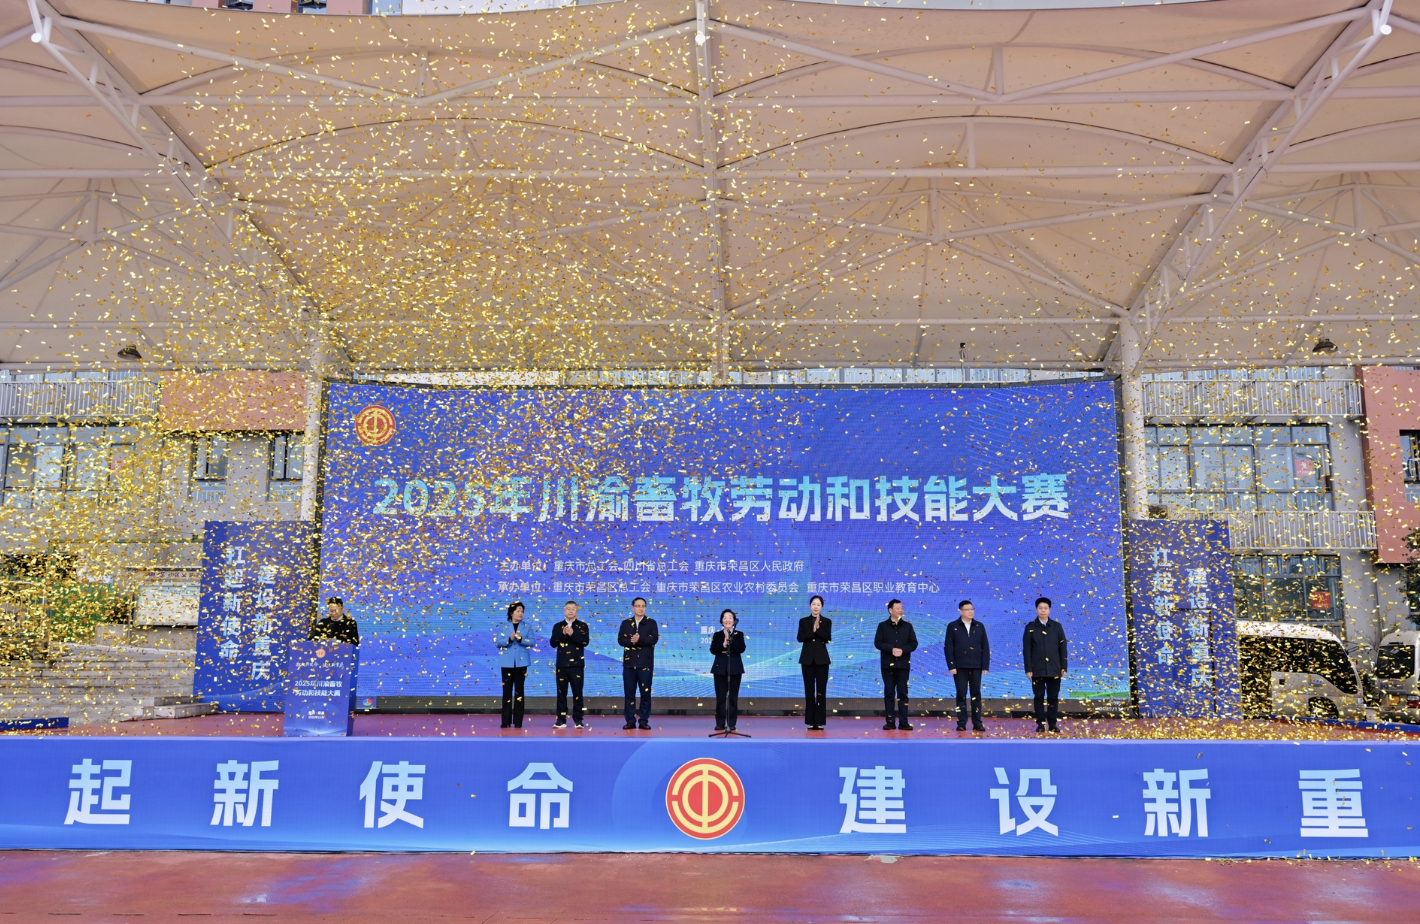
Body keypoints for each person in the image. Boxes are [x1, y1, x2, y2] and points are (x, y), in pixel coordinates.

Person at [1023, 596, 1068, 733]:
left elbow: (1063, 648)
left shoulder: (1057, 626)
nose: (1043, 610)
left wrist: (1063, 666)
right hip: (1037, 669)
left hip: (1054, 668)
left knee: (1053, 697)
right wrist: (1028, 669)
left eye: (1045, 608)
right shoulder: (1030, 627)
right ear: (1036, 609)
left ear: (1050, 610)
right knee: (1039, 697)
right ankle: (1041, 724)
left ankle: (1053, 724)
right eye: (1040, 608)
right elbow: (1027, 650)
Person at [944, 599, 990, 732]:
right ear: (960, 611)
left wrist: (985, 666)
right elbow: (949, 647)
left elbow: (985, 647)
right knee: (961, 695)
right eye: (967, 609)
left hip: (976, 665)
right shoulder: (953, 626)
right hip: (960, 667)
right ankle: (961, 722)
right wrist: (951, 666)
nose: (970, 612)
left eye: (972, 609)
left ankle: (977, 722)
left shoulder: (979, 626)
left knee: (976, 695)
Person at [873, 598, 918, 731]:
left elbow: (914, 643)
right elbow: (878, 642)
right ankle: (890, 721)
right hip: (888, 665)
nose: (900, 610)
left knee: (903, 694)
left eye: (901, 608)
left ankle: (904, 722)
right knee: (889, 694)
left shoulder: (908, 626)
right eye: (897, 608)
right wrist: (891, 649)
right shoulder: (882, 626)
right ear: (890, 610)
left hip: (903, 664)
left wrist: (903, 650)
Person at [617, 597, 659, 730]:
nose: (640, 608)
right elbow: (620, 640)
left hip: (645, 664)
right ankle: (630, 720)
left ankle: (643, 720)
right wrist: (631, 641)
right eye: (638, 606)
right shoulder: (626, 623)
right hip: (629, 665)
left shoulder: (651, 623)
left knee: (645, 694)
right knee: (629, 694)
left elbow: (653, 639)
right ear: (633, 607)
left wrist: (640, 639)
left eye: (643, 606)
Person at [548, 600, 590, 729]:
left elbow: (585, 642)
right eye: (568, 608)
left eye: (573, 609)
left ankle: (578, 720)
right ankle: (561, 720)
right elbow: (553, 643)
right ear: (564, 611)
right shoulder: (558, 626)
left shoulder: (582, 626)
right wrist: (563, 634)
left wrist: (572, 634)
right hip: (562, 665)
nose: (570, 611)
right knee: (561, 694)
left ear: (577, 611)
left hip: (577, 665)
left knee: (578, 693)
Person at [797, 594, 832, 730]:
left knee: (821, 691)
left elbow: (827, 638)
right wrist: (813, 631)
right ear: (810, 606)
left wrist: (818, 629)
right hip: (807, 661)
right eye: (813, 604)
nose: (816, 606)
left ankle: (820, 721)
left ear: (822, 607)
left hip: (822, 661)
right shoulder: (803, 621)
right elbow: (800, 638)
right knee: (809, 691)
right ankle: (811, 721)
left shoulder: (827, 621)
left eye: (818, 604)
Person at [497, 601, 533, 728]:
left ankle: (518, 722)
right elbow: (498, 643)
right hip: (506, 663)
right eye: (518, 611)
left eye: (522, 611)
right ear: (511, 613)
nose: (520, 613)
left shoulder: (527, 626)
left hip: (521, 663)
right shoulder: (504, 626)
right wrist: (509, 639)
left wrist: (521, 639)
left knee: (519, 692)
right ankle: (505, 721)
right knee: (506, 692)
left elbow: (532, 642)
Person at [709, 608, 746, 732]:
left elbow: (741, 648)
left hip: (735, 669)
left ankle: (731, 723)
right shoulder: (717, 635)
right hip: (719, 669)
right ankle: (720, 723)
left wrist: (731, 640)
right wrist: (724, 644)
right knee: (721, 697)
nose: (727, 620)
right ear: (721, 621)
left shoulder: (739, 634)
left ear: (734, 621)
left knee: (733, 697)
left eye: (730, 617)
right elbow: (713, 650)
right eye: (725, 617)